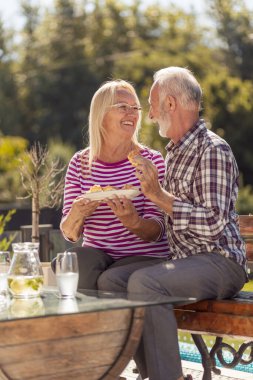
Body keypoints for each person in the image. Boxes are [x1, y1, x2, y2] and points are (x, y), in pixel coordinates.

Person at [97, 68, 248, 380]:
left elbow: (214, 225)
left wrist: (158, 194)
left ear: (170, 104)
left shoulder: (212, 150)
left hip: (220, 262)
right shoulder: (175, 154)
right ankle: (158, 373)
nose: (148, 115)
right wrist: (135, 221)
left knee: (145, 283)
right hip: (185, 261)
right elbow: (170, 224)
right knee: (111, 281)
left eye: (151, 105)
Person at [55, 79, 170, 289]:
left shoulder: (151, 161)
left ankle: (106, 321)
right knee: (73, 263)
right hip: (98, 256)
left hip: (143, 256)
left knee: (109, 279)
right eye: (122, 107)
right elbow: (70, 233)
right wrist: (78, 213)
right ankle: (81, 320)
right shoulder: (80, 162)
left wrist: (133, 221)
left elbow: (158, 231)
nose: (132, 113)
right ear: (101, 114)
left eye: (135, 108)